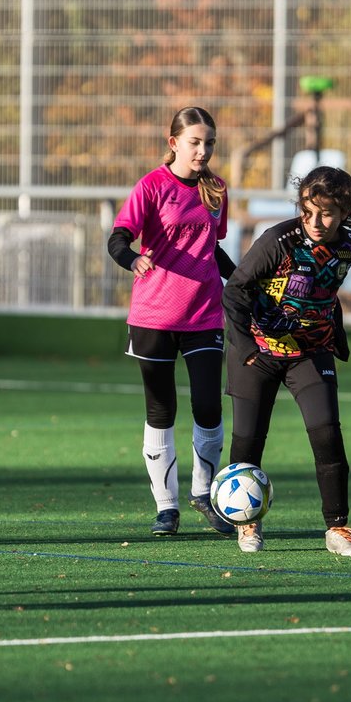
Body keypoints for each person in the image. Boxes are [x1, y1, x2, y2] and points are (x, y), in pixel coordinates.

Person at [106, 106, 238, 537]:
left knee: (209, 406)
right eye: (195, 142)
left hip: (203, 313)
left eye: (209, 143)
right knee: (161, 410)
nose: (203, 150)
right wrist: (134, 259)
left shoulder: (216, 188)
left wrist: (241, 280)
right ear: (174, 143)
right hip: (154, 316)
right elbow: (118, 238)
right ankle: (167, 508)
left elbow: (210, 250)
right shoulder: (152, 185)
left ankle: (204, 494)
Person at [222, 165, 351, 557]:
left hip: (310, 351)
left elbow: (324, 292)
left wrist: (334, 335)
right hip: (258, 352)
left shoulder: (348, 246)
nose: (316, 222)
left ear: (345, 211)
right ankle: (246, 523)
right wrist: (245, 348)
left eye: (327, 212)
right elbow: (235, 292)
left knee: (328, 435)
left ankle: (338, 529)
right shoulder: (278, 240)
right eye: (308, 211)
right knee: (248, 440)